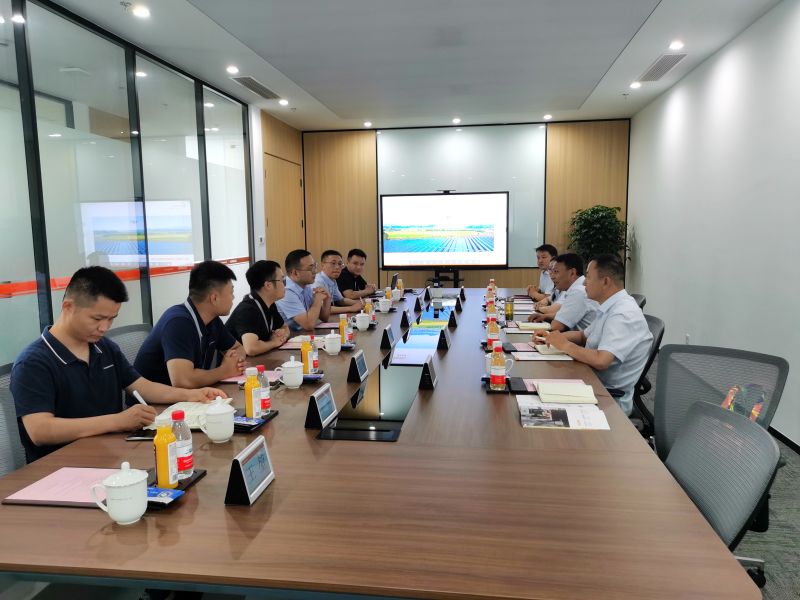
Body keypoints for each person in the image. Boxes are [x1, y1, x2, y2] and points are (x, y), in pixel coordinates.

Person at [10, 267, 223, 462]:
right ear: (68, 307)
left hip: (111, 456)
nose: (104, 327)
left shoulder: (104, 348)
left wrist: (191, 395)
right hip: (60, 469)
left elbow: (142, 386)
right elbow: (40, 430)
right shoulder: (34, 362)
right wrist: (118, 421)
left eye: (111, 319)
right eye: (97, 318)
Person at [542, 254, 653, 415]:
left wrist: (565, 345)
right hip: (590, 382)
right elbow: (583, 336)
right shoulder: (609, 306)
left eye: (588, 277)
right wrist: (551, 337)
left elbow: (601, 360)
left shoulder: (622, 313)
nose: (584, 283)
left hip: (607, 398)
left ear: (605, 281)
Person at [135, 261, 245, 387]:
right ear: (214, 298)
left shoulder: (212, 320)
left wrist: (235, 361)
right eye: (231, 292)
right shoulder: (178, 323)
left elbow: (238, 348)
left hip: (187, 395)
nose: (233, 297)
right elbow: (182, 381)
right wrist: (224, 371)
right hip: (152, 399)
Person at [226, 260, 290, 356]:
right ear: (268, 285)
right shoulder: (247, 310)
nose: (285, 284)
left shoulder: (270, 303)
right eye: (282, 280)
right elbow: (251, 348)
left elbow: (285, 327)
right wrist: (274, 342)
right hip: (236, 362)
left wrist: (282, 333)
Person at [529, 253, 596, 332]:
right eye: (552, 271)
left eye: (556, 272)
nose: (552, 276)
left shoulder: (578, 291)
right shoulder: (574, 288)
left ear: (572, 273)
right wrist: (545, 317)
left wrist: (550, 318)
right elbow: (567, 314)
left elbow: (556, 326)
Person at [276, 249, 332, 331]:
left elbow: (324, 318)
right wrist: (317, 299)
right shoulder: (286, 292)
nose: (315, 271)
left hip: (301, 334)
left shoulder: (306, 286)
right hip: (289, 336)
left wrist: (327, 299)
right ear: (295, 273)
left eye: (315, 266)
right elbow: (309, 325)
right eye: (310, 268)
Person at [315, 250, 364, 315]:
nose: (337, 267)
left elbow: (341, 300)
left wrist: (362, 302)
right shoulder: (318, 281)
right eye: (333, 263)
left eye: (340, 264)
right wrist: (351, 308)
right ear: (322, 265)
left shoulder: (332, 279)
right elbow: (322, 308)